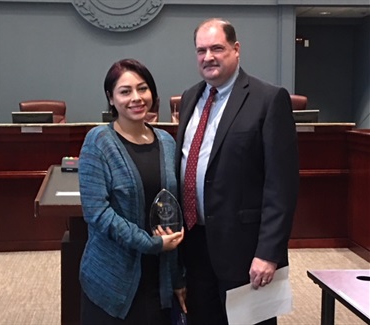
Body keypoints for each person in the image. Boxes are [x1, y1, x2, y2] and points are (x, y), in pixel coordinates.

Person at [175, 18, 299, 325]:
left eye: (217, 48)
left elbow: (281, 185)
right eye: (201, 50)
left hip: (246, 252)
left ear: (236, 49)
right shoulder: (191, 97)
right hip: (195, 244)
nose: (208, 57)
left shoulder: (269, 99)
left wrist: (269, 252)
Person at [78, 58, 185, 324]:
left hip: (157, 277)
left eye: (143, 88)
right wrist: (150, 244)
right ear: (111, 99)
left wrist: (177, 277)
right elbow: (97, 213)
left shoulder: (167, 142)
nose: (136, 98)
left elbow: (172, 213)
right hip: (112, 278)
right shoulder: (98, 141)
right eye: (125, 91)